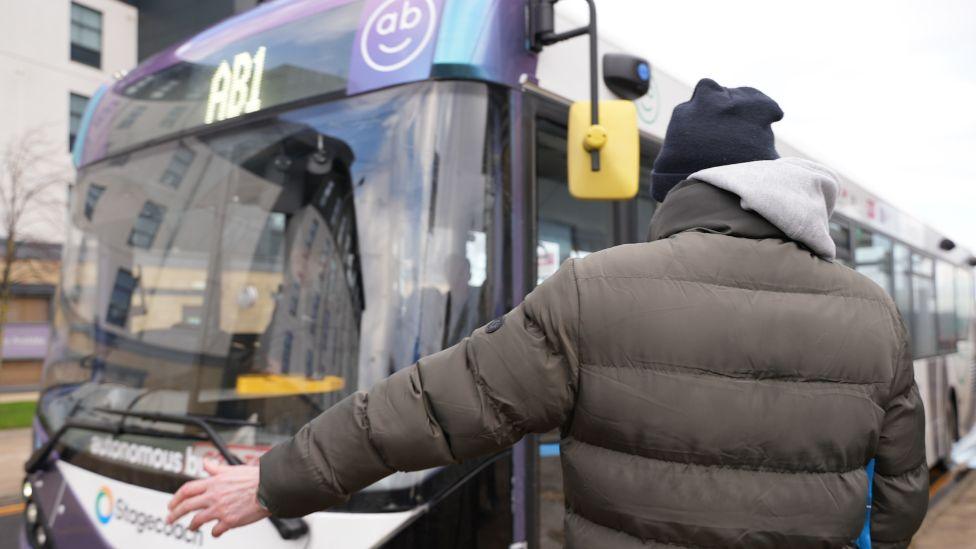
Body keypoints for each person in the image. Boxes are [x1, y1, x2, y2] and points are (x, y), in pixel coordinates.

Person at [167, 78, 928, 548]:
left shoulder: (595, 289)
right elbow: (898, 497)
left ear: (677, 191)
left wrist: (273, 481)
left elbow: (430, 405)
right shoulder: (872, 312)